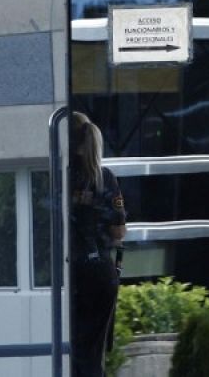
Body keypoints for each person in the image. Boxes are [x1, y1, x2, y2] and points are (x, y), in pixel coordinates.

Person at [68, 112, 126, 377]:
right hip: (100, 273)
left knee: (73, 351)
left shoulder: (62, 177)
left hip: (71, 273)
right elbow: (119, 231)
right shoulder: (105, 178)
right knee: (92, 354)